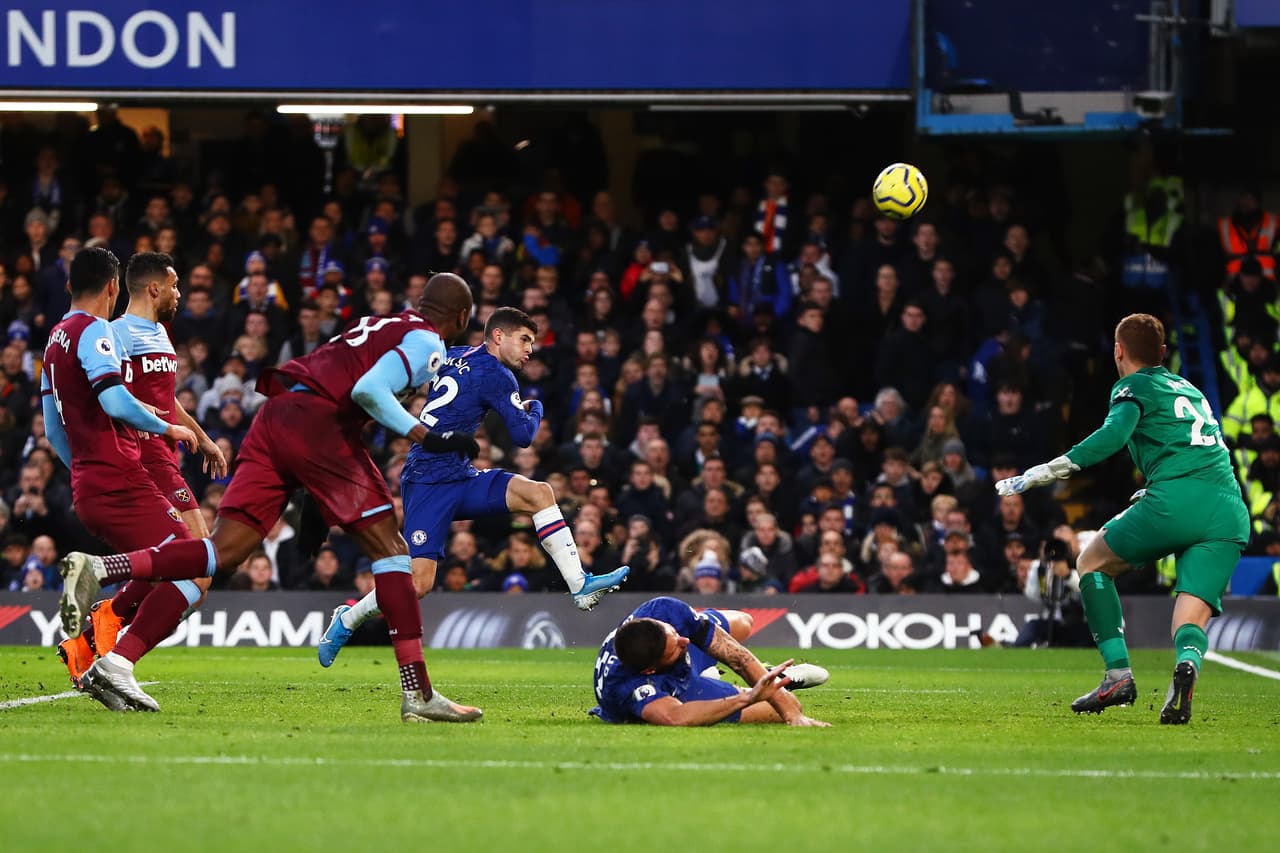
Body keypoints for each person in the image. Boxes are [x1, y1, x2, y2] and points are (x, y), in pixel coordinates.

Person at [59, 273, 481, 723]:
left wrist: (318, 499)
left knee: (223, 553)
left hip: (275, 417)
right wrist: (425, 435)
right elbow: (366, 392)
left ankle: (104, 579)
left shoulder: (382, 323)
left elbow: (337, 381)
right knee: (394, 554)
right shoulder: (426, 342)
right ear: (462, 317)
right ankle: (417, 692)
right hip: (318, 427)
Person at [316, 307, 630, 667]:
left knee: (539, 493)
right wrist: (537, 407)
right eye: (525, 340)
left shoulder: (455, 354)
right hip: (428, 480)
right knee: (418, 584)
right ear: (499, 336)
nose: (530, 349)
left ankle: (579, 585)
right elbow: (524, 436)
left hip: (460, 475)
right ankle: (347, 619)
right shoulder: (498, 375)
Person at [997, 314, 1249, 724]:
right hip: (1228, 510)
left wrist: (1049, 469)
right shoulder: (1188, 387)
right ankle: (1186, 667)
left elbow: (1114, 435)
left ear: (1118, 351)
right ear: (1163, 353)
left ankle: (1117, 676)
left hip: (1174, 502)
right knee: (1191, 611)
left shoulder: (1134, 385)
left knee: (1091, 562)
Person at [57, 252, 228, 689]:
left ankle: (104, 624)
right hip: (143, 460)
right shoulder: (113, 333)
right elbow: (119, 401)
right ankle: (111, 634)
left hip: (166, 455)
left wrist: (202, 437)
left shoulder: (160, 333)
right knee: (196, 563)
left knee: (190, 563)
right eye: (174, 285)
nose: (178, 293)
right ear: (154, 287)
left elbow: (164, 399)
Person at [590, 596, 830, 726]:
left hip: (670, 661)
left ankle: (768, 677)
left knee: (744, 622)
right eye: (676, 647)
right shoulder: (623, 688)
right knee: (785, 706)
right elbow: (677, 716)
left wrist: (792, 716)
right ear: (650, 670)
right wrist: (748, 697)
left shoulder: (663, 610)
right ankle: (767, 682)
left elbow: (737, 656)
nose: (685, 641)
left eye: (675, 633)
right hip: (677, 689)